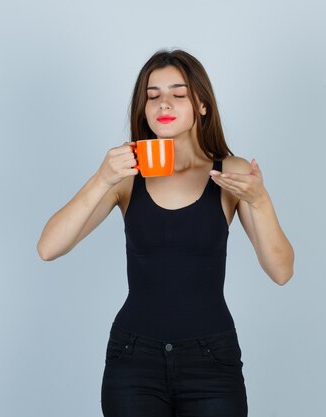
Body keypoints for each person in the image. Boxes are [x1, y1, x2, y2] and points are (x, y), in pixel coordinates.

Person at [36, 48, 294, 417]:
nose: (163, 104)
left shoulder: (229, 172)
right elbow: (48, 247)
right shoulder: (126, 176)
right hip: (133, 360)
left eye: (178, 93)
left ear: (201, 105)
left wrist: (261, 201)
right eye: (153, 96)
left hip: (212, 362)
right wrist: (101, 177)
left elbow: (281, 271)